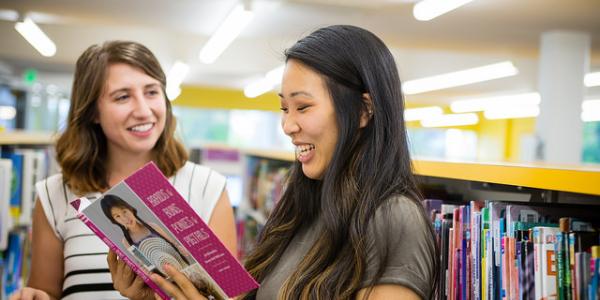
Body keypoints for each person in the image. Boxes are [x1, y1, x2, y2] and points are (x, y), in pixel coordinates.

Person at [118, 24, 439, 300]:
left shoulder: (394, 219)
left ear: (362, 111)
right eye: (285, 109)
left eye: (303, 107)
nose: (287, 126)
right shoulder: (303, 206)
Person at [9, 41, 237, 300]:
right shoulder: (54, 194)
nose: (143, 111)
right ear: (93, 111)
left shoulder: (207, 187)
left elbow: (229, 294)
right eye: (123, 97)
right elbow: (47, 292)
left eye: (151, 92)